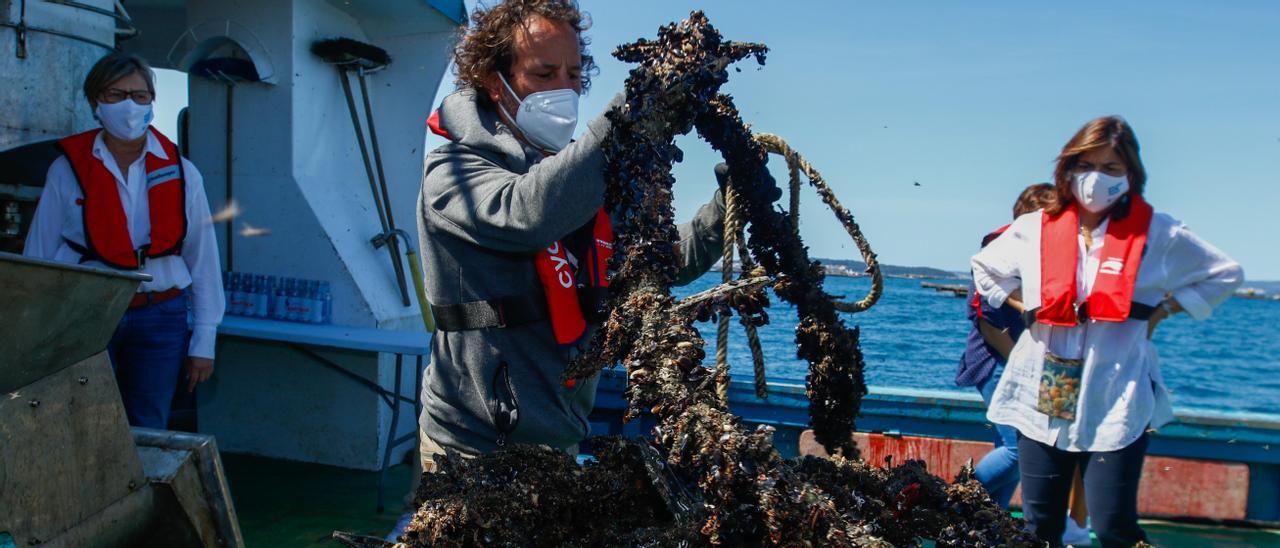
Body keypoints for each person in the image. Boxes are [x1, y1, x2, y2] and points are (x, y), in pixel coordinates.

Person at [415, 0, 775, 470]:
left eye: (573, 74)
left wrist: (726, 207)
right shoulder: (453, 173)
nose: (563, 89)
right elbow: (527, 212)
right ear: (490, 78)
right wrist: (636, 110)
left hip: (559, 448)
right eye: (544, 74)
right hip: (470, 448)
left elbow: (661, 259)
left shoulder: (582, 185)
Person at [972, 116, 1242, 546]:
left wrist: (1164, 311)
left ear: (1131, 174)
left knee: (1114, 524)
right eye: (1086, 165)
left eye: (1111, 168)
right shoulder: (1033, 228)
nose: (1096, 178)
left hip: (1115, 386)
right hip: (1046, 382)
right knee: (1039, 524)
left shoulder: (1161, 233)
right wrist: (1028, 307)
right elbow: (985, 269)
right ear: (1068, 169)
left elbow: (1223, 274)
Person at [24, 52, 225, 429]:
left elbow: (203, 257)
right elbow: (39, 254)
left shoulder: (183, 172)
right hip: (86, 313)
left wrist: (204, 339)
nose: (129, 105)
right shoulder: (66, 169)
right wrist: (38, 333)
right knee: (84, 422)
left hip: (161, 315)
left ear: (152, 101)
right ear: (95, 102)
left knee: (149, 423)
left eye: (140, 95)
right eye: (115, 95)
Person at [956, 182, 1056, 509]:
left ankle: (987, 520)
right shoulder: (998, 251)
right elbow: (988, 324)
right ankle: (955, 503)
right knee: (1020, 449)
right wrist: (1025, 369)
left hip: (1020, 363)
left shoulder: (1045, 256)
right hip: (996, 362)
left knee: (1009, 446)